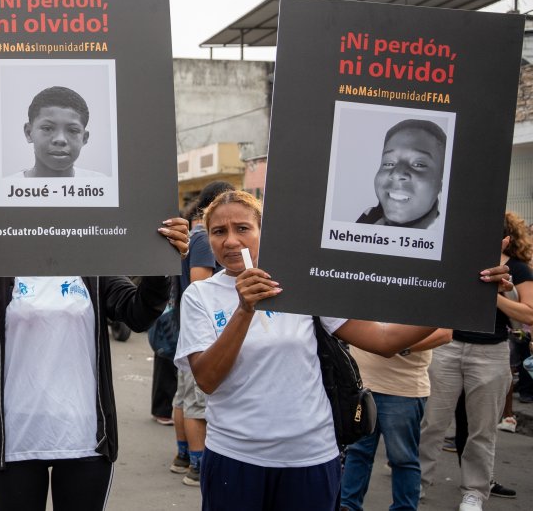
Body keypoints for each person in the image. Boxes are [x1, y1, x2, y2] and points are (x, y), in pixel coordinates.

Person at [175, 190, 510, 511]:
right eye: (219, 231)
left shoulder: (302, 284)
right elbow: (207, 379)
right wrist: (244, 310)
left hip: (310, 455)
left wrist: (465, 294)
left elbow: (383, 340)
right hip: (235, 456)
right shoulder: (200, 296)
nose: (231, 240)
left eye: (243, 228)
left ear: (266, 231)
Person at [0, 186, 189, 511]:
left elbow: (138, 313)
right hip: (14, 439)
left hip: (84, 438)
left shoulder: (94, 268)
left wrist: (160, 263)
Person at [418, 210, 533, 511]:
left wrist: (492, 293)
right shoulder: (457, 261)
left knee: (482, 430)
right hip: (448, 346)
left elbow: (528, 314)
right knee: (432, 423)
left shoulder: (518, 269)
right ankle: (416, 483)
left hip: (491, 352)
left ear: (506, 238)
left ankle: (474, 492)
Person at [339, 327, 451, 511]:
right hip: (360, 384)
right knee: (357, 454)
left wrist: (398, 346)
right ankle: (347, 506)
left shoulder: (429, 297)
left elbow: (445, 333)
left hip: (402, 389)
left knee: (403, 458)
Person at [169, 180, 233, 487]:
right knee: (196, 402)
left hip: (190, 330)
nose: (230, 238)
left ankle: (183, 457)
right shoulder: (205, 241)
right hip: (204, 333)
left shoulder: (196, 237)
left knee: (184, 398)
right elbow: (198, 282)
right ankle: (197, 465)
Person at [356, 119, 446, 229]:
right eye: (389, 163)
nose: (397, 174)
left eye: (419, 164)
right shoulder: (367, 220)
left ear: (442, 181)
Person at [13, 86, 103, 178]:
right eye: (47, 128)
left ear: (84, 138)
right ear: (29, 133)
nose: (60, 139)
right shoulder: (8, 187)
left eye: (72, 130)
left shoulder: (100, 185)